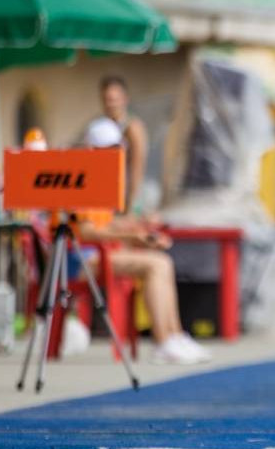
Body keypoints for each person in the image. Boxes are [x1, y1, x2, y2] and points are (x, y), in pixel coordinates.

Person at [75, 117, 210, 365]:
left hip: (97, 253)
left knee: (162, 261)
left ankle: (174, 335)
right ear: (92, 150)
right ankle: (163, 341)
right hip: (82, 259)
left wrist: (141, 228)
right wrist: (133, 236)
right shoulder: (82, 178)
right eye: (108, 149)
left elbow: (104, 224)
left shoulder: (100, 179)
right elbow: (86, 233)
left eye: (117, 149)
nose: (115, 154)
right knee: (156, 265)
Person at [99, 75, 149, 214]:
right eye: (106, 100)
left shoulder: (132, 128)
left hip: (130, 203)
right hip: (110, 203)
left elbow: (137, 169)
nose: (110, 104)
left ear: (125, 100)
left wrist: (131, 208)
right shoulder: (104, 127)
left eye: (114, 100)